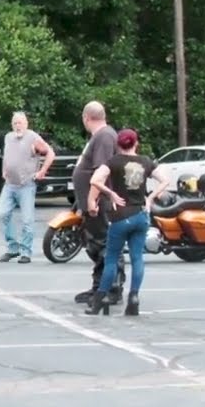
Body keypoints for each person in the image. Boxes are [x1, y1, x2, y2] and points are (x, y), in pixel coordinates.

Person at [85, 129, 171, 316]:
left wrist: (111, 194)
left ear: (118, 145)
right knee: (137, 258)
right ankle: (134, 298)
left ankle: (100, 300)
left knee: (111, 259)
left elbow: (94, 180)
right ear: (136, 143)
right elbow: (165, 180)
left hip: (120, 216)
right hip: (141, 215)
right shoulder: (146, 161)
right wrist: (151, 198)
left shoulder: (113, 162)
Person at [72, 101, 126, 303]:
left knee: (105, 244)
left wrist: (92, 199)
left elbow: (101, 171)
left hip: (100, 202)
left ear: (86, 118)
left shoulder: (104, 136)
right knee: (95, 245)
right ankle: (98, 287)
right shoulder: (102, 136)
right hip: (92, 201)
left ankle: (112, 289)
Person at [0, 112, 56, 263]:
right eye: (15, 123)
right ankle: (12, 247)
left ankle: (26, 252)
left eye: (20, 123)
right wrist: (4, 170)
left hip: (26, 185)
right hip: (10, 184)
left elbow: (50, 153)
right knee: (2, 214)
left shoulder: (32, 138)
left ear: (26, 123)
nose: (17, 126)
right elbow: (7, 155)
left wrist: (42, 171)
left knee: (27, 220)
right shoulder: (8, 137)